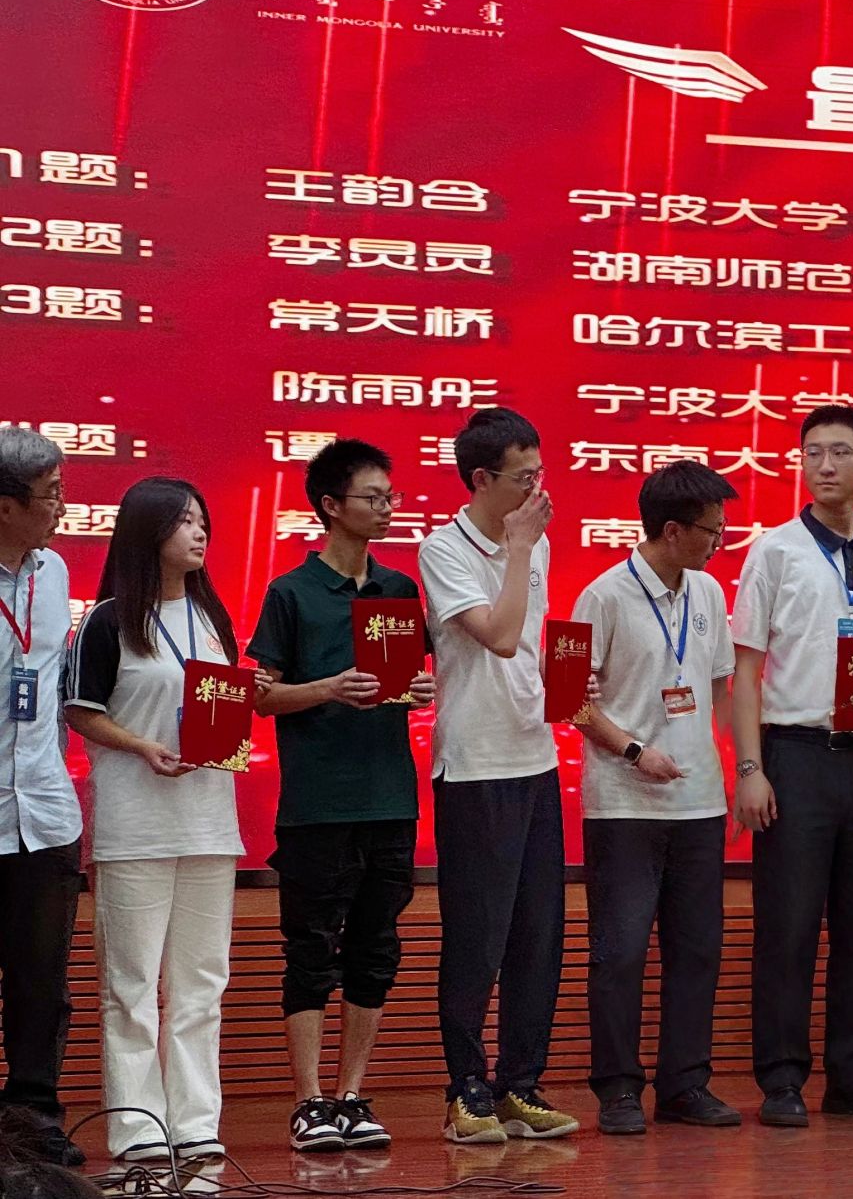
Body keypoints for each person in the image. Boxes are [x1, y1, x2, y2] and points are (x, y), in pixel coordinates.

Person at [729, 406, 853, 1128]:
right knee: (788, 927)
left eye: (841, 452)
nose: (826, 465)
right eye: (812, 452)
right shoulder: (773, 551)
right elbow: (746, 671)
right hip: (796, 755)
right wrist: (750, 766)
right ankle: (782, 1080)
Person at [249, 441, 436, 1151]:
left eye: (390, 497)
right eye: (372, 497)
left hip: (390, 795)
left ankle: (353, 1094)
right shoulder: (291, 592)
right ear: (330, 505)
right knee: (309, 949)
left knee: (376, 948)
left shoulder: (398, 589)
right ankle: (308, 1101)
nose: (387, 508)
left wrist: (418, 690)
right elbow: (261, 697)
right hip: (317, 803)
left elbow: (408, 680)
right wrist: (328, 688)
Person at [63, 478, 247, 1164]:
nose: (200, 533)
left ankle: (196, 1121)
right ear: (148, 531)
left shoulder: (213, 616)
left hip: (210, 821)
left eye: (203, 521)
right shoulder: (108, 620)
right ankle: (139, 1127)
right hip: (135, 824)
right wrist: (142, 745)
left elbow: (224, 703)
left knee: (202, 983)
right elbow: (80, 711)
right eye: (184, 522)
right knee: (131, 985)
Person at [417, 408, 577, 1144]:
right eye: (524, 478)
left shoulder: (531, 544)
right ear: (481, 479)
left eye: (540, 474)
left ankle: (520, 1085)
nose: (538, 491)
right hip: (475, 766)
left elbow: (532, 651)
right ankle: (467, 1089)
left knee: (538, 937)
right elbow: (502, 637)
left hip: (535, 757)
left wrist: (571, 686)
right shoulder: (443, 548)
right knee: (477, 938)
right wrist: (518, 549)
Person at [571, 461, 740, 1135]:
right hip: (624, 805)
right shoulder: (602, 596)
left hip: (699, 805)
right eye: (712, 532)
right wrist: (636, 751)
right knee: (620, 952)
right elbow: (571, 702)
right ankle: (618, 1090)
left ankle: (685, 1085)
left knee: (697, 951)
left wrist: (743, 766)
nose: (719, 543)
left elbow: (720, 688)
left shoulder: (709, 593)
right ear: (672, 531)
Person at [0, 431, 84, 1168]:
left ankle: (32, 1120)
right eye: (51, 495)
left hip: (46, 814)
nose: (62, 507)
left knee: (42, 983)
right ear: (6, 505)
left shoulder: (53, 572)